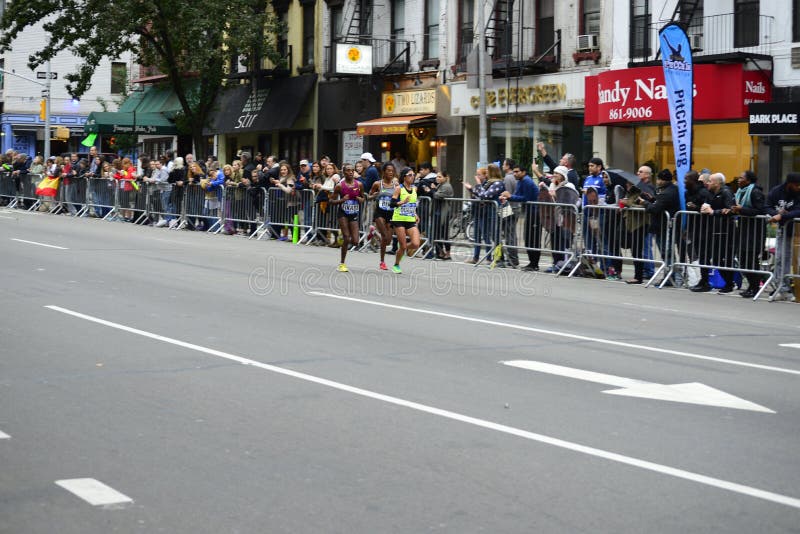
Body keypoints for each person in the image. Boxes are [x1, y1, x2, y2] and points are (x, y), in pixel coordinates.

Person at [692, 173, 735, 293]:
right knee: (710, 257)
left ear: (717, 183)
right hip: (712, 230)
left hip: (724, 231)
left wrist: (713, 212)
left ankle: (729, 283)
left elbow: (731, 209)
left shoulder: (726, 192)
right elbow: (706, 207)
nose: (707, 183)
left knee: (721, 258)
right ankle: (706, 282)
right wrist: (701, 208)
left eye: (710, 181)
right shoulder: (710, 192)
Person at [727, 170, 766, 298]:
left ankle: (755, 287)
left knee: (751, 261)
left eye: (741, 178)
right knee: (743, 260)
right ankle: (752, 286)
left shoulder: (755, 192)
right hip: (743, 230)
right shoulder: (740, 192)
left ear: (748, 181)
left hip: (754, 232)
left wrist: (741, 209)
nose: (738, 180)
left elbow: (760, 211)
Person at [638, 168, 680, 285]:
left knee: (666, 252)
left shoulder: (666, 192)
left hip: (664, 227)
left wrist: (644, 203)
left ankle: (671, 277)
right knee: (667, 253)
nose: (657, 181)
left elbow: (655, 208)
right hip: (665, 226)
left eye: (659, 179)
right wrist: (652, 199)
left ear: (663, 180)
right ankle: (671, 276)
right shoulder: (670, 189)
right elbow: (660, 203)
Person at [766, 172, 800, 301]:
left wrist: (783, 216)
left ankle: (789, 289)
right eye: (796, 185)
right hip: (784, 230)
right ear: (789, 184)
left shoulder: (798, 193)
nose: (798, 187)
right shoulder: (776, 191)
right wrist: (775, 213)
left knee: (794, 261)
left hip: (797, 232)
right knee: (781, 259)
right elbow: (766, 206)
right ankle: (782, 288)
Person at [500, 163, 539, 270]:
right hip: (528, 211)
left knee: (532, 239)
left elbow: (525, 198)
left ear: (523, 172)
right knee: (528, 238)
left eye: (517, 172)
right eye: (514, 172)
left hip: (534, 212)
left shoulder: (526, 181)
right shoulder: (521, 181)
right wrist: (507, 197)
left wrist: (510, 196)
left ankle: (534, 264)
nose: (515, 174)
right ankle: (532, 263)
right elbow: (517, 194)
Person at [330, 163, 364, 272]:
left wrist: (360, 200)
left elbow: (363, 198)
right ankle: (342, 263)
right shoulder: (340, 186)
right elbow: (331, 201)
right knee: (347, 237)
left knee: (355, 241)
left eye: (352, 170)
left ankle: (346, 237)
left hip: (353, 213)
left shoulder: (359, 184)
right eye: (348, 170)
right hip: (343, 213)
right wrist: (342, 200)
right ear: (344, 173)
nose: (350, 172)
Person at [390, 167, 422, 274]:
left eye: (413, 175)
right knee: (403, 246)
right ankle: (396, 264)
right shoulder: (399, 188)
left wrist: (415, 214)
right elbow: (392, 203)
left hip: (410, 219)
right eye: (410, 175)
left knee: (416, 244)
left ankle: (401, 249)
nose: (412, 177)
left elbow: (412, 204)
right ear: (404, 177)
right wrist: (402, 202)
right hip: (399, 219)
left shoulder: (415, 189)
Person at [368, 162, 398, 270]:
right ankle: (382, 262)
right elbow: (369, 196)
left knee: (388, 241)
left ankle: (373, 232)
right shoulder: (377, 184)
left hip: (391, 213)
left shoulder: (396, 185)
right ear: (384, 172)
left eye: (392, 170)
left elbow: (399, 198)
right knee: (385, 236)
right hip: (379, 212)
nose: (390, 172)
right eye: (388, 170)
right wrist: (373, 196)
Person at [431, 171, 454, 260]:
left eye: (440, 177)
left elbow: (438, 195)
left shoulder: (447, 186)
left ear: (445, 177)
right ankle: (440, 253)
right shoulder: (440, 185)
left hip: (444, 213)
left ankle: (447, 253)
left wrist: (432, 190)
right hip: (438, 212)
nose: (437, 178)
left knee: (444, 234)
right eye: (437, 176)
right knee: (437, 234)